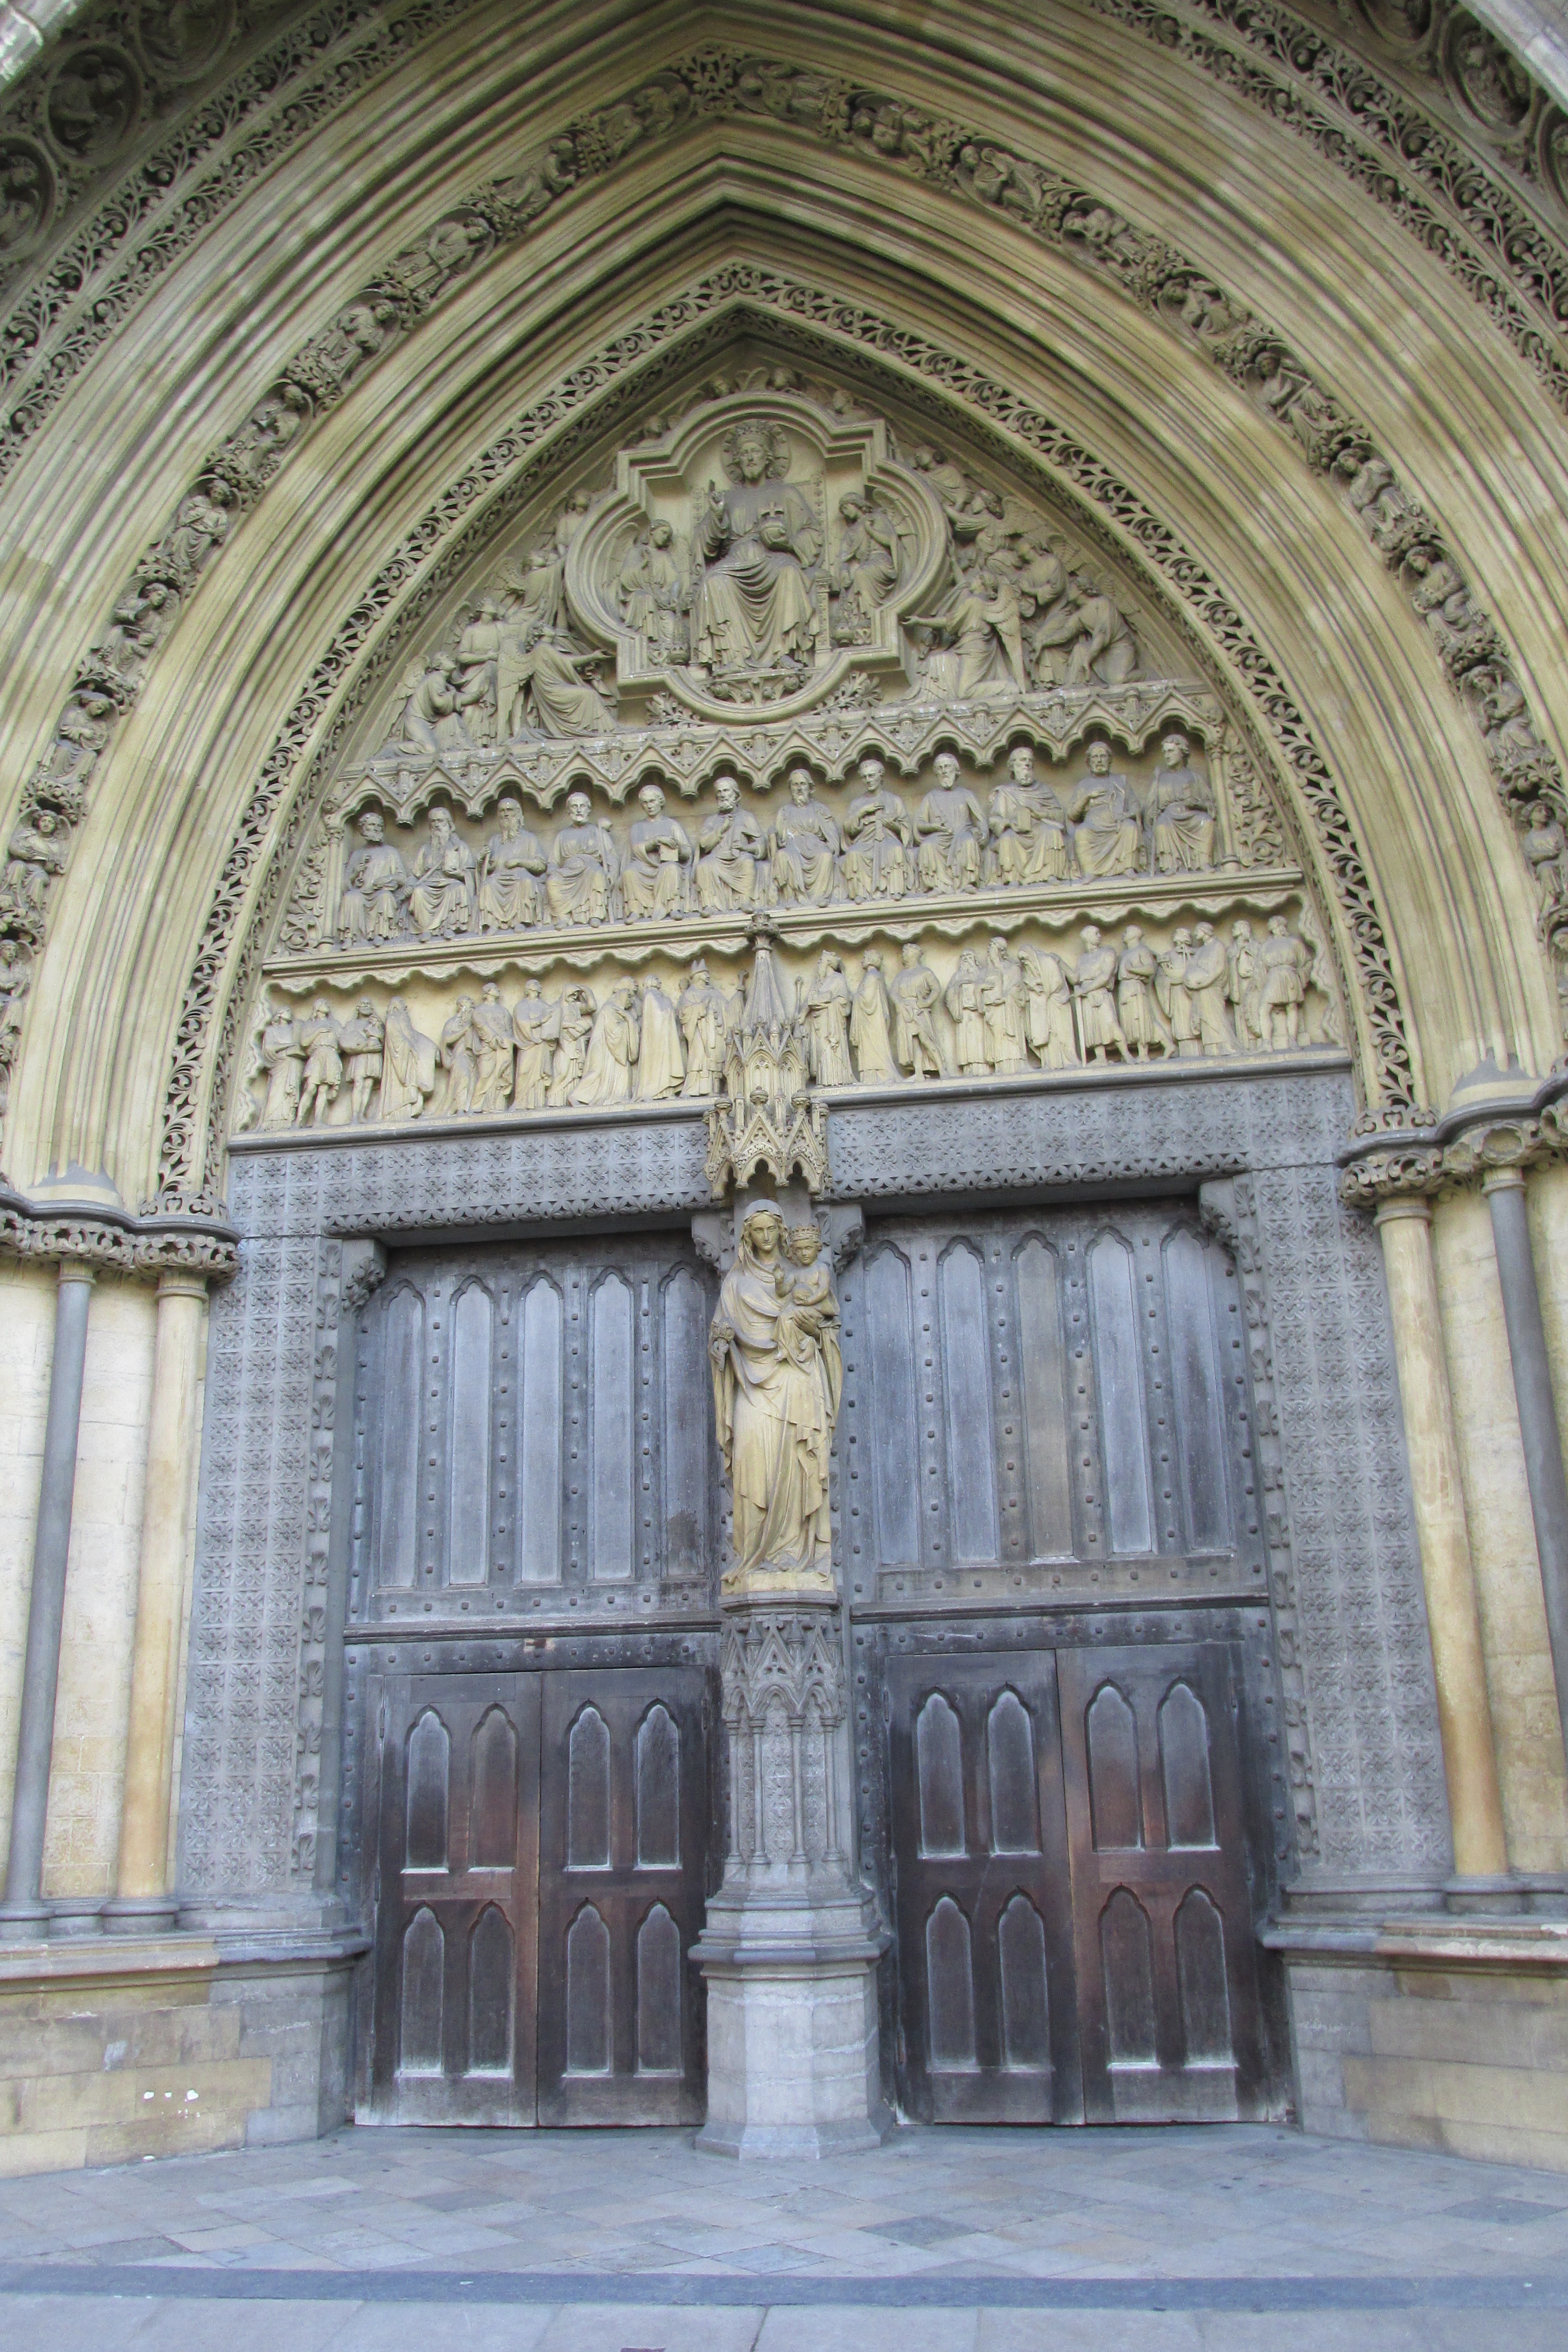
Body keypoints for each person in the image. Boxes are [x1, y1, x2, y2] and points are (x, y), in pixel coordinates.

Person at [708, 1205, 837, 1591]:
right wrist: (720, 1346)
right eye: (758, 1231)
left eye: (771, 1230)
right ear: (747, 1235)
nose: (765, 1237)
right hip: (751, 1382)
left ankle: (796, 1556)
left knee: (796, 1463)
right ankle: (753, 1558)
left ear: (782, 1232)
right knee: (752, 1462)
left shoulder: (801, 1275)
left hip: (795, 1377)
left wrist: (811, 1328)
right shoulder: (736, 1284)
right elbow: (720, 1332)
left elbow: (826, 1327)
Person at [692, 420, 821, 673]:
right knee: (713, 582)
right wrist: (717, 516)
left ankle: (784, 652)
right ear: (738, 461)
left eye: (756, 452)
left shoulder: (787, 493)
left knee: (790, 573)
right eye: (744, 453)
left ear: (768, 457)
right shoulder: (727, 499)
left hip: (773, 559)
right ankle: (731, 658)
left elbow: (812, 533)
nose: (750, 458)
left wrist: (788, 543)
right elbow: (705, 544)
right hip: (736, 561)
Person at [915, 751, 988, 891]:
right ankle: (937, 885)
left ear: (956, 770)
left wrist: (983, 834)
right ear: (936, 773)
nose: (944, 771)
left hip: (963, 834)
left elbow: (980, 820)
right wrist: (933, 827)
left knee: (969, 841)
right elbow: (920, 823)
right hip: (941, 836)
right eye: (940, 768)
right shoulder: (931, 797)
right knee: (928, 845)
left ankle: (968, 882)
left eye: (947, 767)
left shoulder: (966, 794)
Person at [1066, 742, 1140, 877]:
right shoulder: (1084, 785)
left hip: (1117, 824)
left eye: (1103, 756)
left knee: (1130, 827)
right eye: (1095, 757)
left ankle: (1128, 866)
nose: (1099, 761)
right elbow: (1072, 815)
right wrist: (1086, 797)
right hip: (1093, 825)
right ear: (1089, 762)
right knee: (1081, 833)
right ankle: (1091, 871)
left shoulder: (1121, 782)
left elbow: (1135, 806)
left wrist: (1127, 815)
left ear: (1110, 760)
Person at [621, 783, 693, 920]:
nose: (649, 806)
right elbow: (636, 850)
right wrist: (656, 841)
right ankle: (635, 910)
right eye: (645, 803)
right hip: (644, 866)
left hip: (665, 865)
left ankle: (673, 907)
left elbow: (687, 852)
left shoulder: (672, 825)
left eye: (652, 801)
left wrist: (676, 850)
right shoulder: (638, 827)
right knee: (629, 872)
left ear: (661, 801)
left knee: (671, 868)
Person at [1146, 733, 1217, 873]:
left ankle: (1204, 862)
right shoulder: (1160, 779)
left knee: (1207, 822)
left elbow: (1210, 804)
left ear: (1182, 752)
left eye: (1171, 751)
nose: (1167, 756)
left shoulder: (1194, 778)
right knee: (1162, 825)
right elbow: (1149, 808)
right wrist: (1152, 814)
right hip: (1169, 817)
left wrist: (1198, 804)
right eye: (1165, 752)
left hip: (1192, 815)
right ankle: (1171, 864)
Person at [840, 757, 909, 899]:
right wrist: (862, 812)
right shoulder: (857, 803)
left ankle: (895, 890)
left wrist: (893, 826)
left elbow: (905, 827)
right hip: (865, 841)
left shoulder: (895, 800)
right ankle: (860, 893)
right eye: (864, 777)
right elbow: (849, 829)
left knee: (896, 849)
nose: (868, 780)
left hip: (888, 839)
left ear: (881, 776)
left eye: (871, 776)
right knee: (854, 853)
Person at [547, 791, 619, 925]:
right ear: (569, 811)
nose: (579, 810)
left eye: (583, 806)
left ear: (588, 809)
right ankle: (563, 917)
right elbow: (553, 862)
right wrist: (552, 871)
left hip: (591, 869)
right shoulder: (563, 835)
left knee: (598, 874)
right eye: (575, 807)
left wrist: (612, 873)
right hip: (568, 873)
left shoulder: (597, 832)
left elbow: (611, 857)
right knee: (552, 882)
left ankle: (596, 914)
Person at [337, 811, 408, 945]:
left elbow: (402, 878)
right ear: (363, 829)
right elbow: (345, 883)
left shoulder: (390, 852)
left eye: (378, 826)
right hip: (362, 893)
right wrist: (355, 875)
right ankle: (350, 936)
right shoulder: (357, 855)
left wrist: (387, 879)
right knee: (350, 898)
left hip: (381, 893)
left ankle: (381, 934)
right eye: (371, 825)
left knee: (385, 897)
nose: (376, 829)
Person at [695, 777, 765, 911]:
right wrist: (722, 828)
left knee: (747, 861)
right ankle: (709, 905)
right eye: (719, 792)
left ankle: (745, 901)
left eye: (726, 791)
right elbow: (704, 844)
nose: (722, 795)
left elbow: (761, 844)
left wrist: (745, 848)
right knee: (703, 866)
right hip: (717, 858)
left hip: (739, 857)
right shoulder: (712, 821)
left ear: (736, 795)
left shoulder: (746, 817)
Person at [771, 767, 840, 904]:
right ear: (790, 788)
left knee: (826, 856)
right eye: (795, 785)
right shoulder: (784, 812)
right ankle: (792, 899)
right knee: (782, 855)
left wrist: (828, 847)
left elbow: (832, 838)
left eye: (803, 784)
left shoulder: (820, 810)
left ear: (810, 788)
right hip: (793, 848)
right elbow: (781, 839)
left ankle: (819, 899)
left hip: (816, 847)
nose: (799, 789)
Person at [477, 797, 547, 930]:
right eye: (502, 811)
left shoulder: (529, 838)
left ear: (518, 814)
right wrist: (481, 859)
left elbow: (541, 865)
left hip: (520, 877)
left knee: (526, 882)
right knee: (488, 885)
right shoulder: (495, 841)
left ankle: (522, 921)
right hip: (499, 878)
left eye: (509, 810)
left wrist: (519, 861)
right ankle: (493, 923)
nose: (505, 814)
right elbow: (487, 869)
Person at [407, 807, 476, 936]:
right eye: (433, 822)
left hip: (450, 882)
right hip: (429, 884)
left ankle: (451, 927)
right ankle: (426, 929)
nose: (437, 825)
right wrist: (410, 886)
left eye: (441, 821)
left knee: (458, 889)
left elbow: (471, 873)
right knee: (419, 892)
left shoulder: (459, 847)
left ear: (449, 824)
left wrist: (456, 874)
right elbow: (416, 874)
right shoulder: (425, 849)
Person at [572, 979, 640, 1104]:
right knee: (596, 1074)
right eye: (629, 999)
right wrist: (628, 1021)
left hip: (615, 1053)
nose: (631, 1003)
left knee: (624, 1072)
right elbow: (613, 1033)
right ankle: (575, 1097)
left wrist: (629, 1019)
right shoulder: (609, 1009)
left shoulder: (620, 1011)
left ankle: (619, 1098)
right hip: (607, 1053)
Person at [889, 944, 947, 1077]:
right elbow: (893, 992)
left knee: (926, 1040)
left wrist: (927, 1002)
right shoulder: (901, 975)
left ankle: (942, 1069)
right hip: (906, 1012)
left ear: (913, 955)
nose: (903, 956)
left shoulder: (924, 972)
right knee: (914, 1043)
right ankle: (919, 1072)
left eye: (906, 953)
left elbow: (936, 989)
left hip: (919, 1010)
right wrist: (900, 1004)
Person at [1019, 947, 1078, 1069]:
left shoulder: (1047, 962)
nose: (1024, 962)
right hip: (1045, 1006)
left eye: (1025, 958)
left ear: (1031, 955)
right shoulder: (1030, 968)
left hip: (1057, 1003)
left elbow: (1058, 982)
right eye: (1022, 960)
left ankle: (1066, 1060)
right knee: (1048, 1034)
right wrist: (1033, 986)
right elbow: (1027, 980)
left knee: (1060, 1032)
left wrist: (1044, 989)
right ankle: (1050, 1062)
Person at [802, 950, 855, 1086]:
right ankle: (824, 1081)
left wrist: (823, 1002)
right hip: (820, 1025)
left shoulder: (838, 979)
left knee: (831, 1050)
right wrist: (803, 1014)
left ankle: (837, 1080)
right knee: (822, 1051)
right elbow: (810, 1000)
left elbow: (842, 1001)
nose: (819, 964)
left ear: (829, 963)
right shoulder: (819, 982)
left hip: (833, 1024)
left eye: (821, 961)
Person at [850, 949, 899, 1082]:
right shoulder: (875, 976)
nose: (862, 960)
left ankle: (876, 1076)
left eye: (865, 957)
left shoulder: (872, 976)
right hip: (872, 1021)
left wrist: (855, 998)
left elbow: (867, 1000)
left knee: (872, 1049)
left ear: (871, 960)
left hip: (871, 1022)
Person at [634, 975, 684, 1099]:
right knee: (660, 1064)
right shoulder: (650, 996)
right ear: (651, 982)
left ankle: (667, 1091)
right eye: (657, 980)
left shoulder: (659, 997)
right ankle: (657, 1091)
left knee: (667, 1063)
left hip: (665, 1036)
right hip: (658, 1038)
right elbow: (657, 1015)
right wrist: (669, 1010)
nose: (660, 982)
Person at [511, 978, 558, 1109]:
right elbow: (522, 1023)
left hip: (541, 1044)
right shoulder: (522, 1006)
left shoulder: (544, 1005)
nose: (539, 986)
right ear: (529, 989)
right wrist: (541, 1020)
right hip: (528, 1043)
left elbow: (554, 1018)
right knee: (524, 1071)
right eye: (535, 984)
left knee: (540, 1074)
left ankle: (537, 1103)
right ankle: (520, 1101)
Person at [470, 982, 516, 1111]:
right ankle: (477, 1106)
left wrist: (506, 1040)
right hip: (488, 1048)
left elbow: (509, 1029)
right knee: (485, 1075)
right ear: (488, 992)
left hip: (503, 1047)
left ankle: (497, 1106)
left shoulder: (504, 1011)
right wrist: (495, 1038)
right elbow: (482, 1026)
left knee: (500, 1075)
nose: (498, 990)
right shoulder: (479, 1011)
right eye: (495, 989)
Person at [944, 949, 990, 1074]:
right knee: (967, 1045)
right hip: (964, 1016)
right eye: (963, 957)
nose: (966, 959)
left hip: (979, 1016)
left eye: (969, 956)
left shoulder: (981, 975)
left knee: (980, 1043)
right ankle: (969, 1070)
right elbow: (948, 995)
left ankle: (984, 1069)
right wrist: (959, 986)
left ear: (975, 960)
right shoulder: (957, 977)